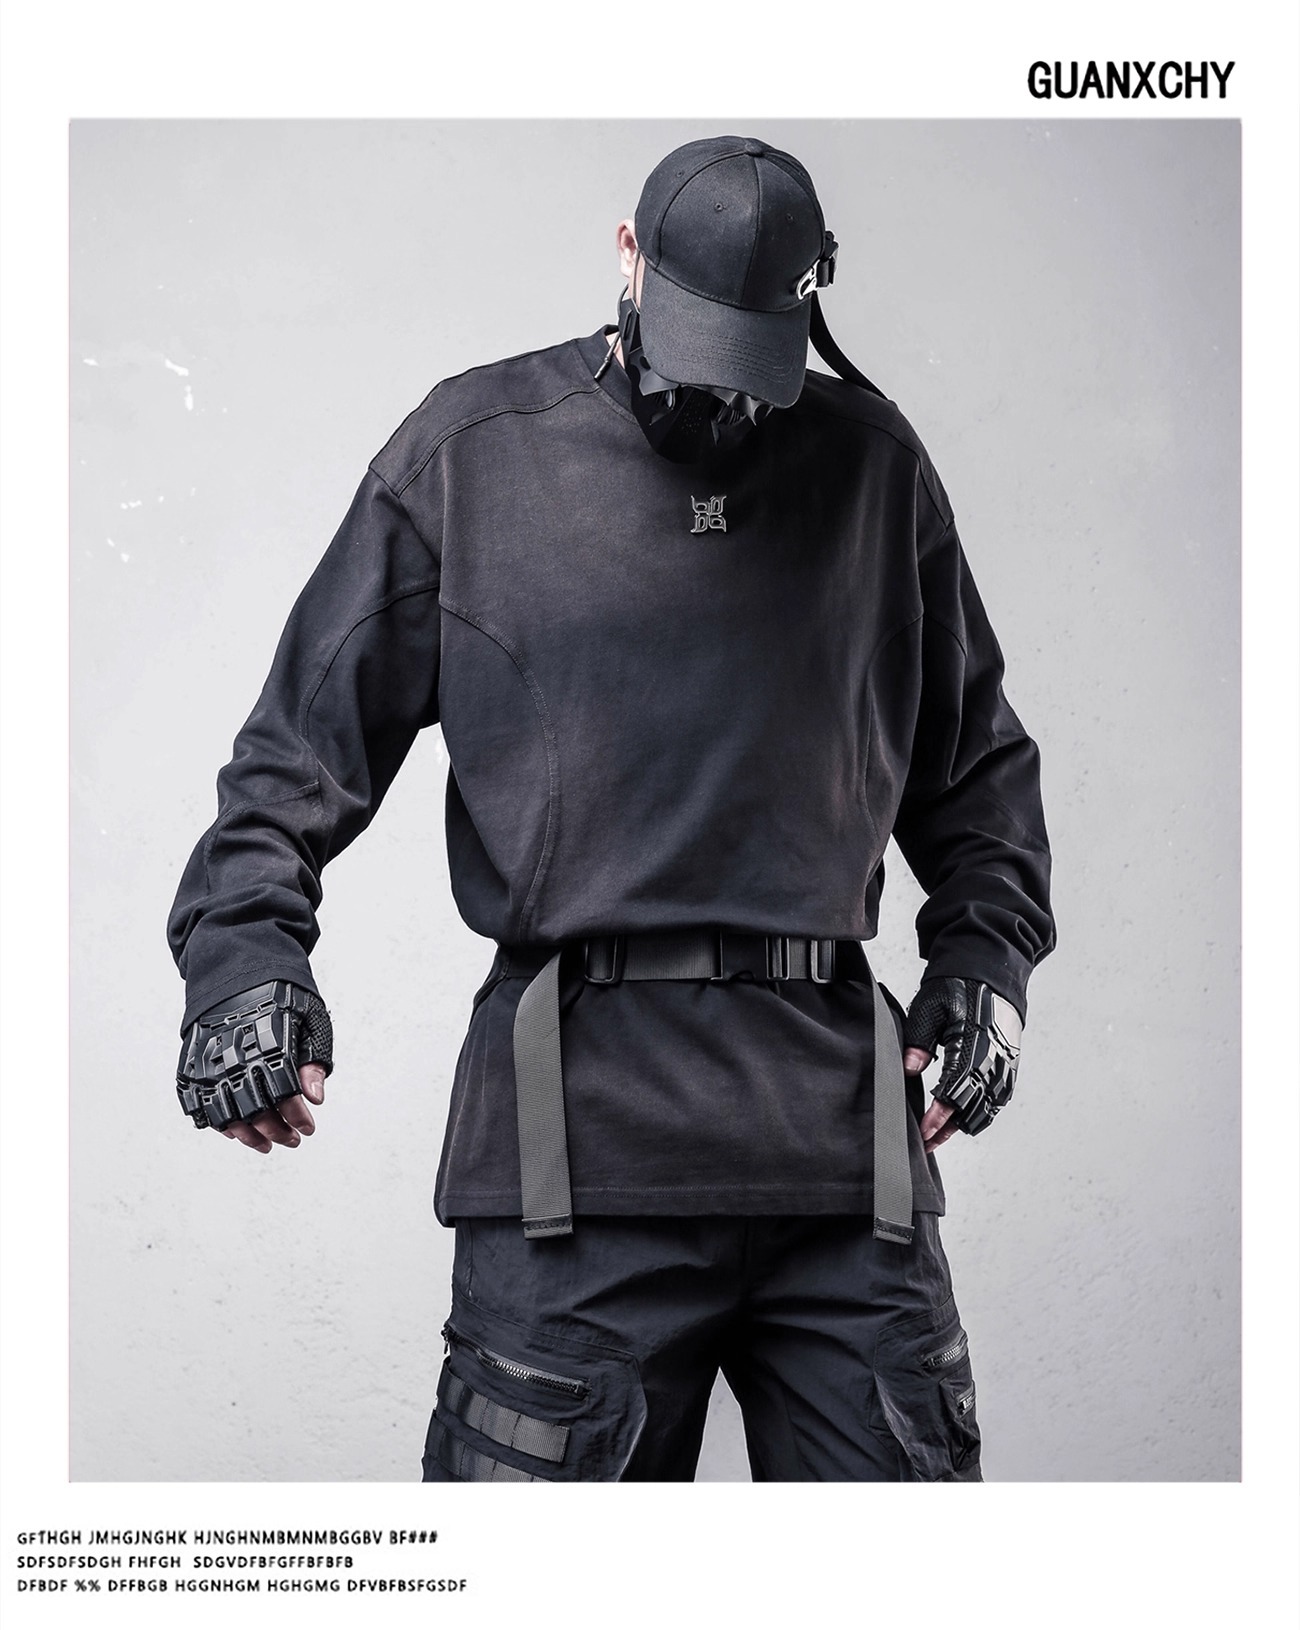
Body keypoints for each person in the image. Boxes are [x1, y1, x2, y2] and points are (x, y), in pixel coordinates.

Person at [168, 134, 1054, 1483]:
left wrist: (987, 966)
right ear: (627, 257)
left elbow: (980, 772)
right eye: (697, 347)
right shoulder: (469, 455)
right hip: (571, 1161)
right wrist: (242, 958)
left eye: (755, 362)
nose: (724, 395)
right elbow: (295, 750)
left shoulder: (874, 469)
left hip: (839, 1156)